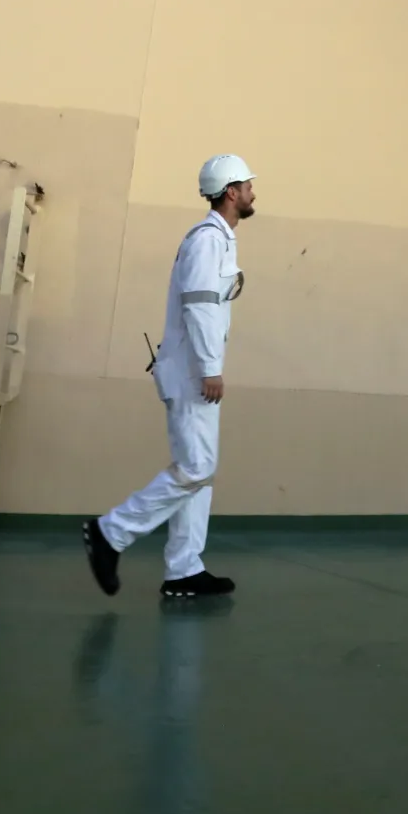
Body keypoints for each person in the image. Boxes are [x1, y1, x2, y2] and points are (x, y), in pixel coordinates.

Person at [82, 155, 255, 599]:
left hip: (195, 371)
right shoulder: (207, 241)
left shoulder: (220, 240)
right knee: (197, 467)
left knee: (198, 473)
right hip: (194, 374)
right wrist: (211, 368)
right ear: (231, 191)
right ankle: (111, 532)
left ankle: (183, 570)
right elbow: (198, 304)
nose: (254, 192)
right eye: (249, 185)